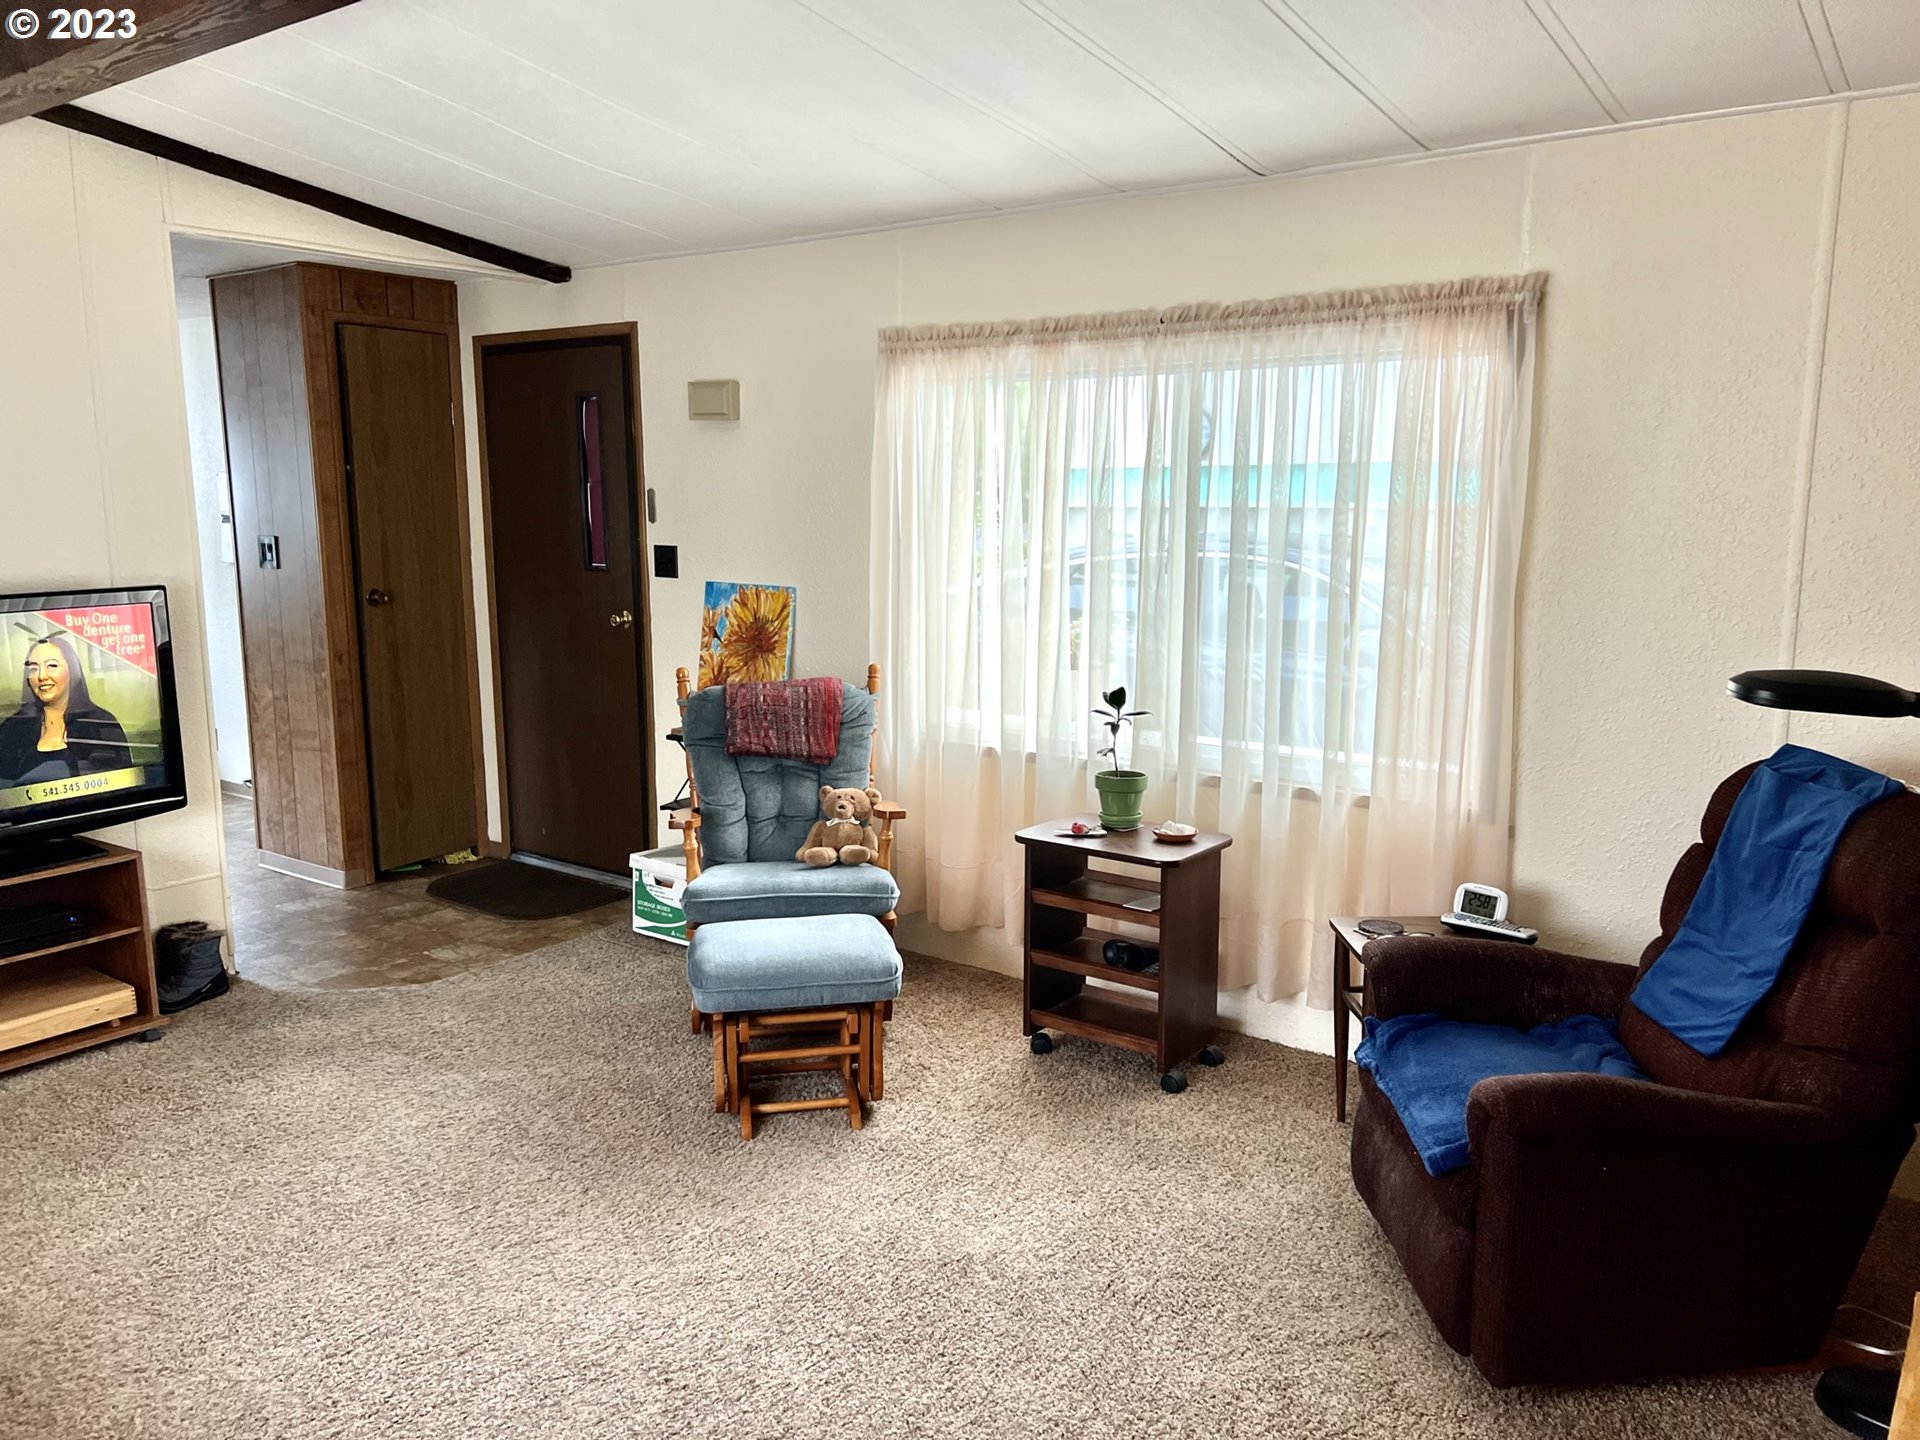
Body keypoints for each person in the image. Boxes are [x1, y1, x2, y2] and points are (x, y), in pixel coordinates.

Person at [0, 635, 132, 789]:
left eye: (52, 666)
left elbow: (121, 787)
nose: (41, 676)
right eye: (34, 668)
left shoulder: (101, 725)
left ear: (72, 671)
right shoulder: (12, 729)